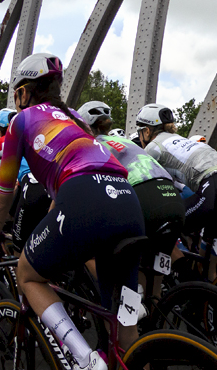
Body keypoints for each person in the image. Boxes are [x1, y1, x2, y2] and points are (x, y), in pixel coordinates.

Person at [0, 53, 145, 370]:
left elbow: (2, 198)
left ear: (23, 92)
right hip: (127, 199)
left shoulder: (20, 122)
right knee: (127, 330)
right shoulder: (75, 117)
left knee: (28, 274)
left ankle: (83, 359)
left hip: (83, 197)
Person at [77, 100, 186, 282]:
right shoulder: (127, 142)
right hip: (172, 197)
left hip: (144, 198)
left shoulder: (91, 145)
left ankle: (119, 300)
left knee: (88, 252)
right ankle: (155, 304)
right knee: (154, 262)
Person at [135, 104, 217, 279]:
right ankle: (211, 294)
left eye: (140, 131)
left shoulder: (153, 147)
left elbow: (146, 184)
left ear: (147, 131)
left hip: (213, 187)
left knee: (158, 229)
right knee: (207, 263)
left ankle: (189, 282)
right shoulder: (181, 140)